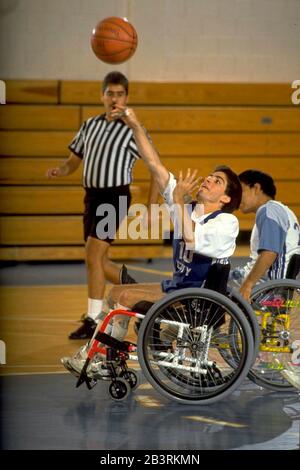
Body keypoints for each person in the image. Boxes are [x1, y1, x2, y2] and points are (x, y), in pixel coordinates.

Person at [61, 104, 243, 378]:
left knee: (121, 296)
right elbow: (156, 168)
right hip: (180, 288)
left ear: (226, 198)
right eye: (210, 176)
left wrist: (178, 200)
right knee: (115, 292)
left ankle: (100, 360)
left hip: (197, 299)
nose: (207, 179)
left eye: (216, 181)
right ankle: (105, 359)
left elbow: (192, 239)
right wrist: (135, 125)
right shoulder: (190, 208)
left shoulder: (227, 222)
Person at [46, 71, 158, 340]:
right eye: (110, 93)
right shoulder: (89, 125)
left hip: (115, 197)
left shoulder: (133, 130)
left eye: (120, 94)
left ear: (126, 98)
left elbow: (155, 168)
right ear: (102, 95)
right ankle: (136, 289)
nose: (114, 98)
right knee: (96, 260)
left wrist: (152, 206)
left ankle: (93, 319)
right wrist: (62, 170)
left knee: (94, 255)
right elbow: (74, 160)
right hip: (91, 197)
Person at [230, 170, 300, 301]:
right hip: (279, 285)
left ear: (256, 188)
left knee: (214, 286)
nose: (237, 198)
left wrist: (248, 284)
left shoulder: (268, 210)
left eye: (241, 191)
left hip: (270, 290)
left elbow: (269, 253)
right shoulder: (282, 210)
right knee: (222, 277)